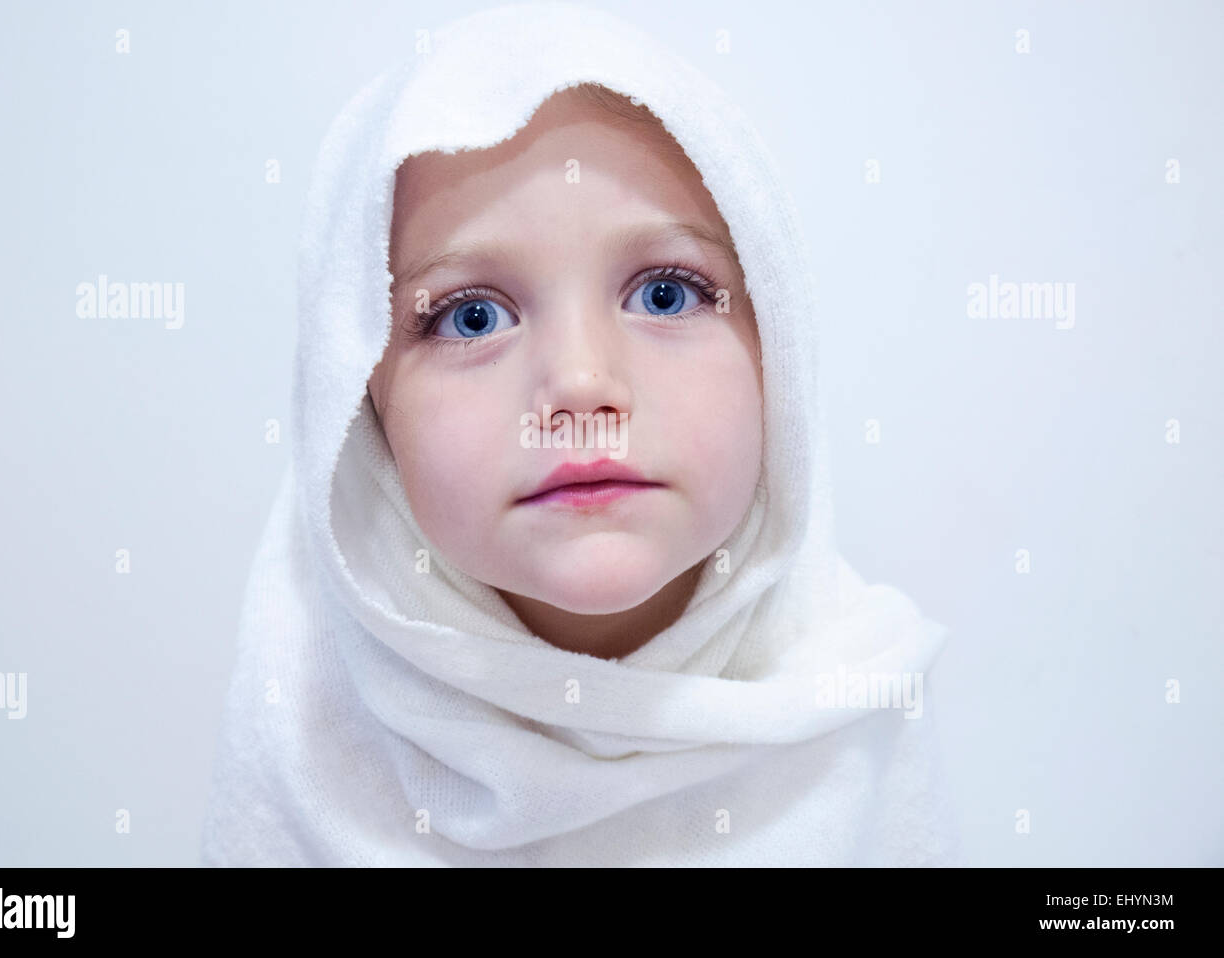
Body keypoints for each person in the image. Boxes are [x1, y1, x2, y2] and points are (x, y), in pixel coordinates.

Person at [201, 1, 964, 866]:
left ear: (776, 349)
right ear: (363, 411)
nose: (581, 384)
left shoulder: (848, 695)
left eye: (666, 293)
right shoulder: (305, 722)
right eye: (472, 316)